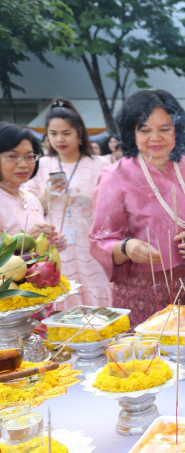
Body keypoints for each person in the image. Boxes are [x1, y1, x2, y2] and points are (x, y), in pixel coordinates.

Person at [90, 90, 185, 327]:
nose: (155, 138)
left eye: (165, 129)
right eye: (145, 130)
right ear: (132, 132)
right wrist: (127, 246)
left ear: (177, 129)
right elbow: (101, 239)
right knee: (147, 358)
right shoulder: (114, 176)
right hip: (140, 287)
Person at [22, 98, 113, 309]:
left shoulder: (100, 164)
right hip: (56, 246)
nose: (59, 139)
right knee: (62, 299)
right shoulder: (41, 165)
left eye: (66, 133)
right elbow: (29, 208)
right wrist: (49, 193)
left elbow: (112, 208)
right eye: (53, 134)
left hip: (92, 246)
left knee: (98, 301)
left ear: (79, 133)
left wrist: (85, 199)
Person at [0, 123, 66, 249]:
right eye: (12, 156)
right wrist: (24, 241)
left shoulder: (31, 199)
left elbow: (36, 251)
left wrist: (50, 244)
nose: (24, 164)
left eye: (29, 156)